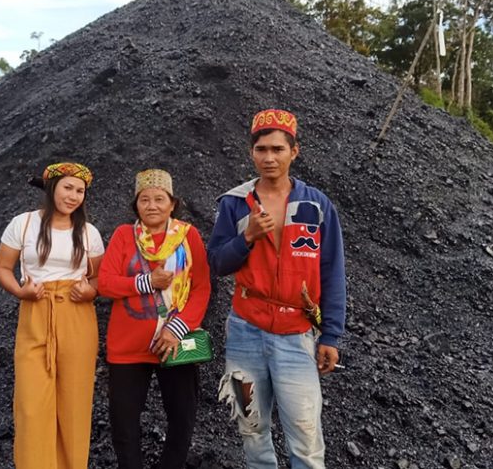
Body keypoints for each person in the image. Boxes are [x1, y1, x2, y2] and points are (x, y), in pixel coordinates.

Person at [207, 109, 346, 469]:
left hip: (296, 334)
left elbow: (332, 271)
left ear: (294, 152)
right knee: (251, 427)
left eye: (278, 149)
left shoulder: (317, 206)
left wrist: (330, 334)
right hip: (244, 331)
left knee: (305, 431)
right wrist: (247, 236)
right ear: (251, 152)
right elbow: (217, 264)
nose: (269, 158)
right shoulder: (235, 203)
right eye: (261, 149)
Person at [0, 162, 105, 469]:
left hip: (77, 314)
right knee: (31, 405)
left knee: (74, 403)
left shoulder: (89, 232)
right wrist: (20, 292)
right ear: (51, 186)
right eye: (67, 187)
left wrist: (91, 292)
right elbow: (2, 267)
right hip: (36, 310)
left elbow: (99, 278)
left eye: (80, 191)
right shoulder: (24, 224)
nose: (73, 196)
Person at [97, 169, 212, 469]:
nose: (152, 205)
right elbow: (105, 283)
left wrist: (177, 328)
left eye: (159, 199)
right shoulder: (124, 236)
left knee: (182, 419)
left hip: (176, 343)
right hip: (127, 347)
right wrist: (146, 282)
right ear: (135, 205)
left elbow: (201, 288)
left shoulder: (188, 236)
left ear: (172, 203)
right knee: (124, 424)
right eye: (144, 199)